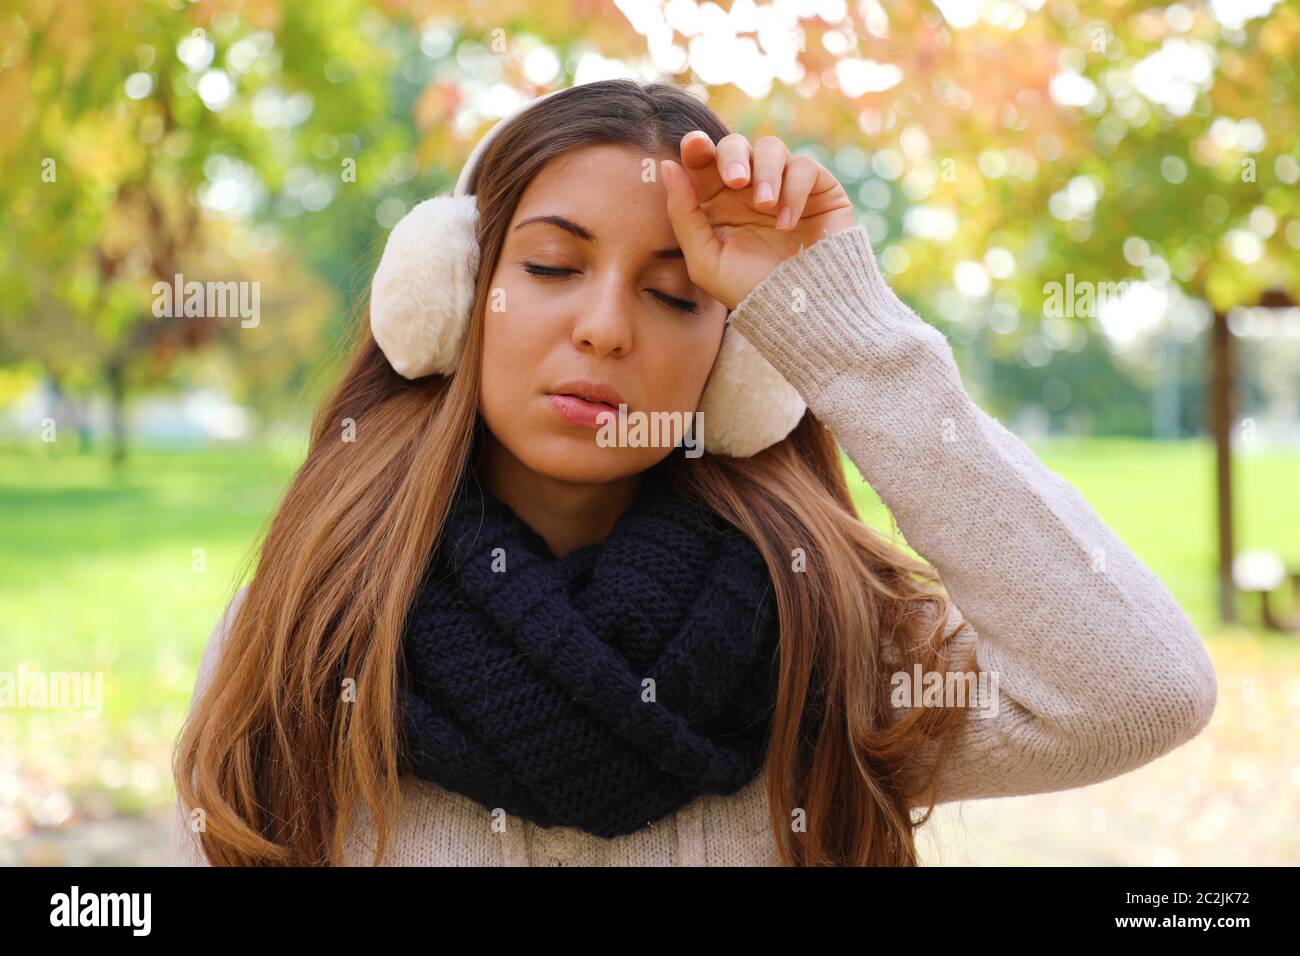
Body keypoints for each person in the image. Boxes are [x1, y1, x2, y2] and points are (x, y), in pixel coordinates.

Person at [170, 78, 1217, 867]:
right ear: (450, 294)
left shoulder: (827, 633)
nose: (603, 328)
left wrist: (838, 331)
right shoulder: (317, 619)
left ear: (742, 367)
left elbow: (1139, 691)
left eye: (674, 296)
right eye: (549, 265)